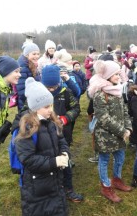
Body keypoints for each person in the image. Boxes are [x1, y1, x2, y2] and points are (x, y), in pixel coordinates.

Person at [15, 77, 70, 215]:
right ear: (34, 108)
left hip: (54, 178)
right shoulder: (27, 128)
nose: (51, 110)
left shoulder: (51, 122)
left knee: (58, 205)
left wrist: (64, 153)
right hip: (37, 185)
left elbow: (61, 140)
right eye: (46, 107)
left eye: (51, 105)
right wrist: (54, 162)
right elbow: (27, 159)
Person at [88, 60, 132, 203]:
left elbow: (125, 111)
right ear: (107, 75)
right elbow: (103, 118)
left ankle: (117, 180)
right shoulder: (101, 94)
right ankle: (106, 186)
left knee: (120, 158)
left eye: (119, 73)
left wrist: (128, 127)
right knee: (104, 160)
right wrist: (122, 131)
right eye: (115, 74)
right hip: (105, 136)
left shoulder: (117, 90)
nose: (119, 76)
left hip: (119, 134)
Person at [41, 65, 83, 203]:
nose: (51, 90)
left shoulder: (66, 92)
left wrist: (65, 118)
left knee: (65, 161)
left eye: (54, 86)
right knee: (49, 163)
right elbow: (26, 111)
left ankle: (68, 189)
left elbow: (76, 108)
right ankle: (51, 190)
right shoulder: (39, 94)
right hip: (44, 137)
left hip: (63, 134)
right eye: (48, 87)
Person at [16, 42, 41, 112]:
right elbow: (21, 91)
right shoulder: (23, 68)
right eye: (34, 54)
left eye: (38, 54)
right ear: (27, 55)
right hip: (25, 104)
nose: (36, 56)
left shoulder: (33, 65)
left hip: (34, 101)